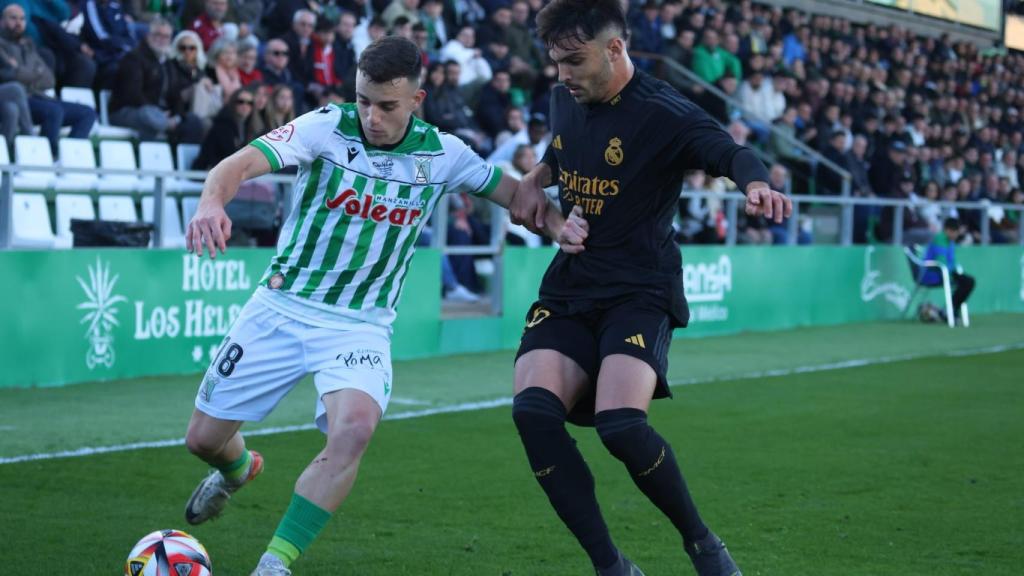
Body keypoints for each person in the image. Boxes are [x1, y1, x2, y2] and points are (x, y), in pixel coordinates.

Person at [181, 36, 580, 576]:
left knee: (355, 429)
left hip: (360, 326)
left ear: (416, 100)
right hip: (281, 307)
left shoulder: (444, 153)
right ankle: (237, 470)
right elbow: (238, 164)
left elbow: (517, 198)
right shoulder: (326, 126)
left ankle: (273, 565)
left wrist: (562, 228)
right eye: (364, 99)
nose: (371, 115)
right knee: (203, 440)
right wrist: (211, 202)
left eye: (386, 105)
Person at [507, 2, 791, 575]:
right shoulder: (568, 96)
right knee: (533, 415)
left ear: (615, 50)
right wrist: (537, 178)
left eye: (574, 60)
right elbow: (561, 152)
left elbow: (730, 151)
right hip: (571, 285)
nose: (562, 73)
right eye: (555, 61)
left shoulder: (665, 112)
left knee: (620, 425)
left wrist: (756, 182)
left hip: (639, 290)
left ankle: (703, 545)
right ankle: (611, 566)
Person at [0, 3, 95, 157]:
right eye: (13, 18)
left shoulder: (29, 44)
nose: (18, 23)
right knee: (54, 111)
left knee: (87, 113)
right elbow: (8, 76)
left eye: (22, 19)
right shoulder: (1, 45)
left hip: (39, 96)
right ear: (2, 21)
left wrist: (20, 71)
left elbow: (49, 79)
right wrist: (33, 73)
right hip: (22, 99)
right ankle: (47, 157)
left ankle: (67, 158)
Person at [921, 218, 975, 324]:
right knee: (967, 282)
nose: (956, 235)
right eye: (955, 232)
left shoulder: (950, 241)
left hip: (945, 272)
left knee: (968, 282)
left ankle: (950, 310)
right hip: (933, 273)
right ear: (948, 230)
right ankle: (949, 311)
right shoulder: (939, 239)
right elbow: (942, 261)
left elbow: (951, 261)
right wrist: (954, 273)